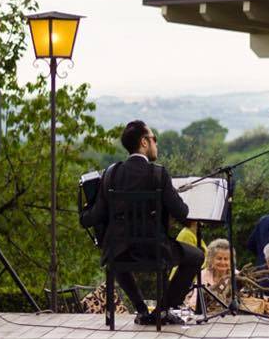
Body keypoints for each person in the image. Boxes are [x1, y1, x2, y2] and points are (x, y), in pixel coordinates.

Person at [81, 120, 204, 326]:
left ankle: (140, 308)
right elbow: (182, 212)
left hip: (120, 250)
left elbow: (96, 215)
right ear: (144, 142)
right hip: (154, 250)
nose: (156, 144)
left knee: (114, 257)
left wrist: (85, 210)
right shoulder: (158, 173)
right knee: (196, 256)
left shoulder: (111, 173)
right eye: (154, 139)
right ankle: (162, 311)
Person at [184, 238, 233, 313]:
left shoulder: (236, 276)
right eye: (219, 258)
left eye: (226, 259)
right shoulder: (203, 274)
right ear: (211, 259)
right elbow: (194, 302)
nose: (223, 262)